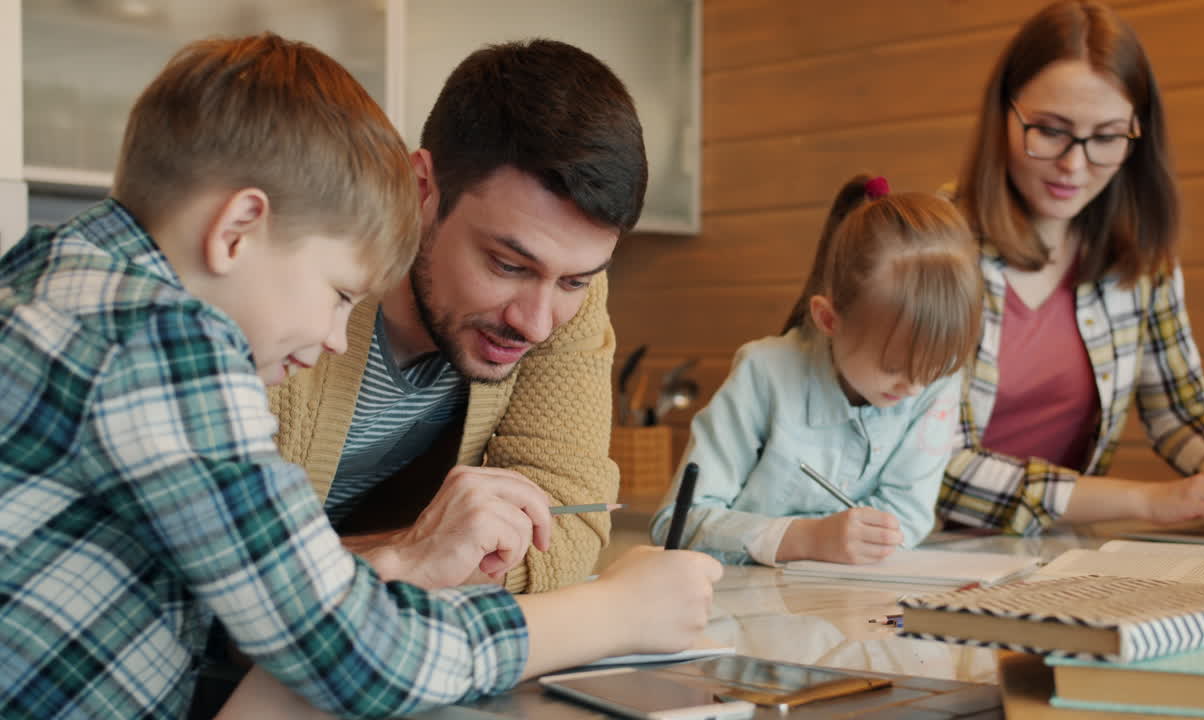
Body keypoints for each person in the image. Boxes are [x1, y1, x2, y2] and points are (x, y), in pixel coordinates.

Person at [0, 33, 721, 720]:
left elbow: (289, 612)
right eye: (341, 293)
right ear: (237, 230)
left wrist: (400, 566)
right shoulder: (163, 338)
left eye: (573, 281)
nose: (336, 336)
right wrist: (618, 614)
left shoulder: (57, 280)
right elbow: (351, 649)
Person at [268, 38, 647, 595]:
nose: (537, 325)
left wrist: (411, 559)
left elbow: (567, 527)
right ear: (421, 189)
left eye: (575, 281)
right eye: (507, 264)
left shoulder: (565, 295)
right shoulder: (283, 287)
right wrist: (412, 554)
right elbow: (219, 569)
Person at [938, 0, 1204, 535]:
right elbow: (940, 467)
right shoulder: (931, 249)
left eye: (1105, 138)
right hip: (915, 549)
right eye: (1050, 130)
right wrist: (1146, 501)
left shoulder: (1139, 255)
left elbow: (1181, 410)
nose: (1074, 166)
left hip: (1050, 554)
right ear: (1002, 112)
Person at [650, 175, 983, 565]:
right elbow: (676, 525)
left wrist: (847, 540)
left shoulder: (935, 384)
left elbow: (906, 519)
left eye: (937, 366)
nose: (914, 386)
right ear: (828, 319)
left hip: (862, 609)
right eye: (893, 366)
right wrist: (804, 539)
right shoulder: (764, 374)